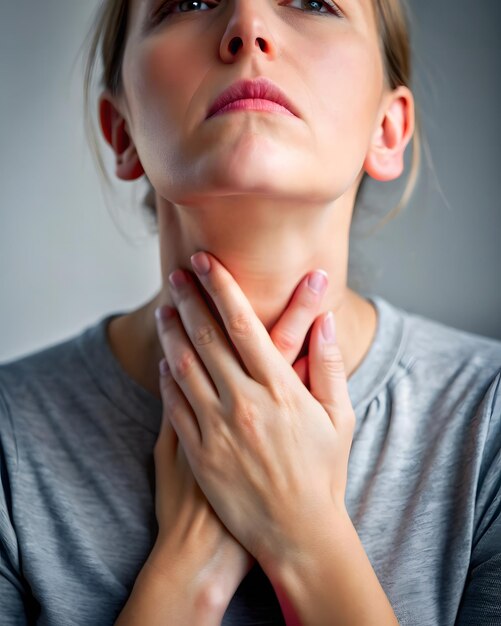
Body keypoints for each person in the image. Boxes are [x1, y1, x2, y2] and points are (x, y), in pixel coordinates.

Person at [1, 0, 500, 624]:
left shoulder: (492, 422)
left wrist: (306, 535)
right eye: (190, 1)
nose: (248, 28)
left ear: (388, 130)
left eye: (315, 2)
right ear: (121, 132)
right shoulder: (5, 439)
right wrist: (183, 573)